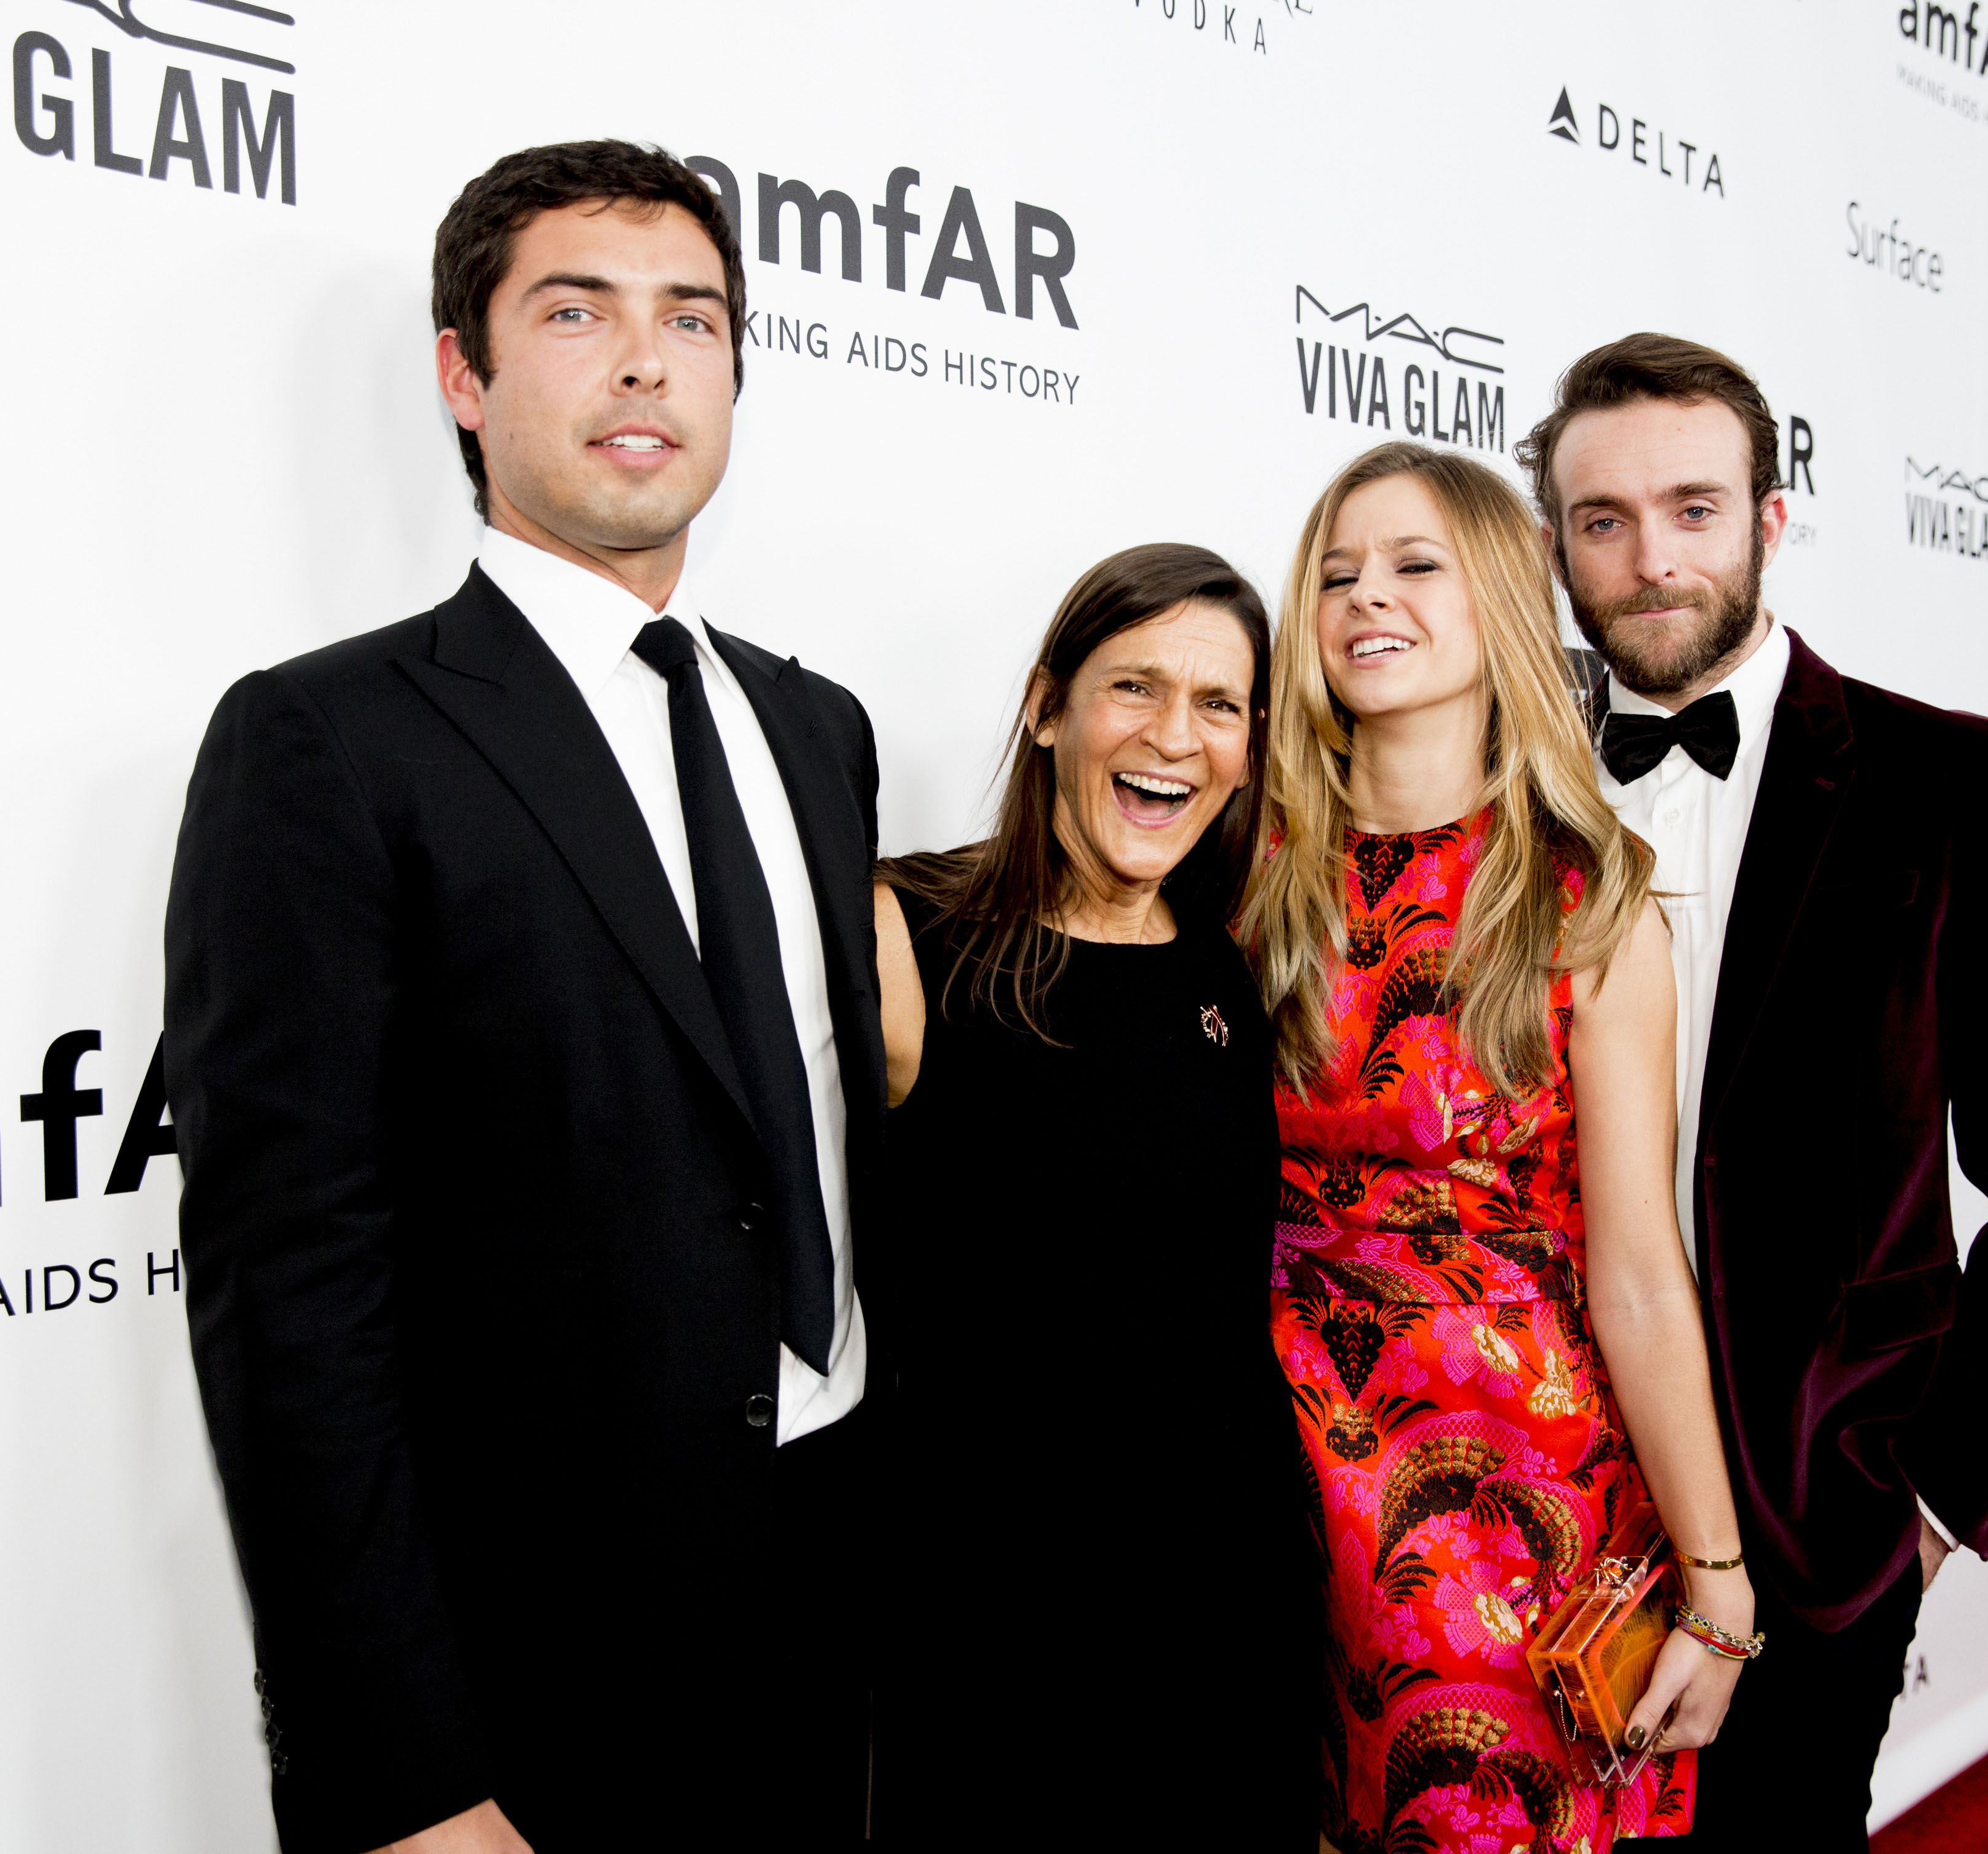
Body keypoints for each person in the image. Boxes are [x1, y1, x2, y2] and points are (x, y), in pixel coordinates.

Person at [162, 141, 889, 1853]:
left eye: (691, 318)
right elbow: (289, 1294)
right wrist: (401, 1768)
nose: (646, 360)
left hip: (834, 1579)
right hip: (530, 1658)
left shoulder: (818, 728)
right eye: (577, 313)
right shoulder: (327, 742)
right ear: (463, 378)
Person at [1520, 334, 1988, 1850]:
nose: (1650, 559)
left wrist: (1930, 1503)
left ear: (1770, 521)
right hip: (1535, 1484)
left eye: (1692, 509)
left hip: (1816, 1516)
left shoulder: (1950, 786)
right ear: (1556, 549)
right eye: (1603, 521)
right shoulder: (1503, 791)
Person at [1246, 441, 1756, 1853]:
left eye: (1417, 565)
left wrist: (1718, 1581)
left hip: (1508, 1498)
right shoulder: (1246, 866)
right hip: (1256, 1464)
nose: (1367, 597)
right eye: (1337, 572)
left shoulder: (1590, 902)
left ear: (1503, 603)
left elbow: (1642, 1273)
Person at [870, 542, 1316, 1847]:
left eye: (1221, 705)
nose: (1175, 736)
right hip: (991, 1626)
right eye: (1134, 687)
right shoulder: (907, 930)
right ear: (1046, 705)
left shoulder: (1230, 973)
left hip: (1229, 1616)